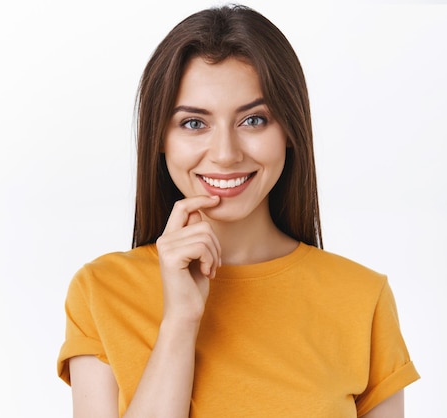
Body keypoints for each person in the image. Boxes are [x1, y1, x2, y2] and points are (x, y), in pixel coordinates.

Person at [56, 4, 420, 417]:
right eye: (194, 123)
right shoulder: (102, 291)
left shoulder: (361, 298)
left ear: (289, 131)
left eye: (253, 120)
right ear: (160, 138)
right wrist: (180, 321)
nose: (226, 154)